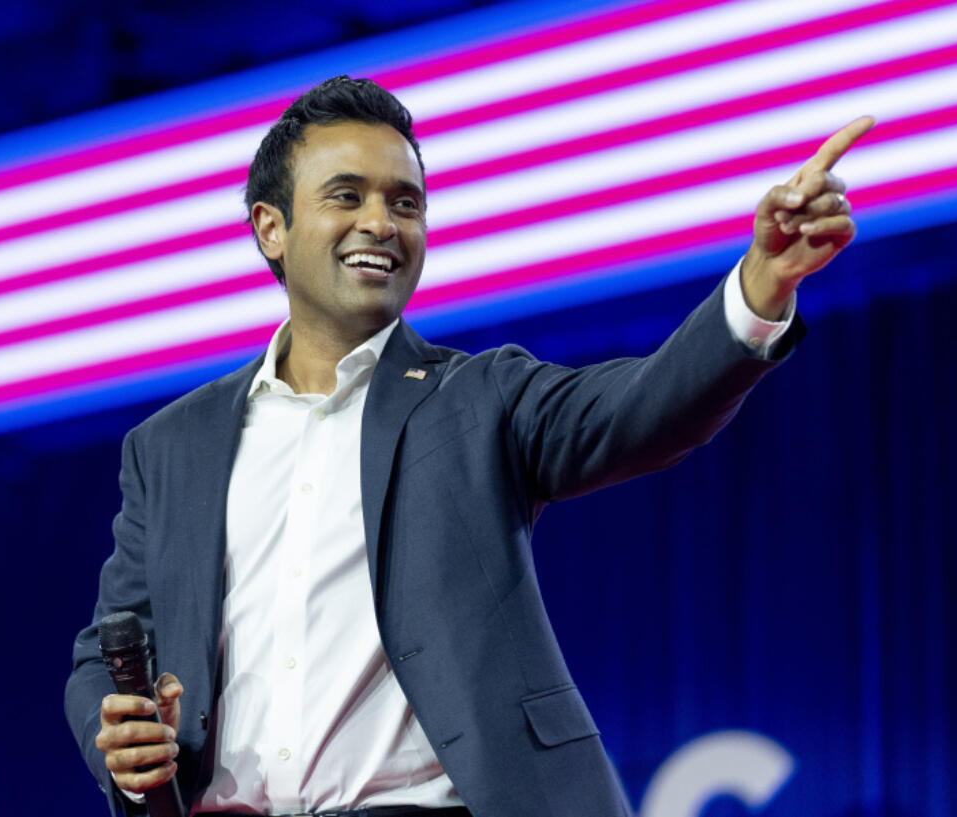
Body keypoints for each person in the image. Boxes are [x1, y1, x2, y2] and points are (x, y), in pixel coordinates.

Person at [65, 76, 872, 817]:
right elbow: (103, 651)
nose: (381, 222)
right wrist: (121, 740)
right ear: (270, 228)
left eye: (405, 202)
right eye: (346, 195)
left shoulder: (480, 397)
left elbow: (644, 410)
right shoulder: (171, 445)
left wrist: (762, 286)